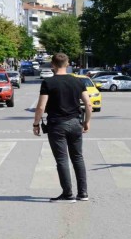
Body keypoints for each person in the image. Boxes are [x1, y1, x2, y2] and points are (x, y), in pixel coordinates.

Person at [33, 53, 92, 203]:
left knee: (62, 159)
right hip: (75, 123)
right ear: (67, 64)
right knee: (78, 157)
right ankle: (83, 193)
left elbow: (41, 106)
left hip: (57, 125)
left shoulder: (48, 82)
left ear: (52, 64)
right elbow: (88, 104)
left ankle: (68, 194)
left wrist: (36, 124)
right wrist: (87, 121)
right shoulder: (78, 81)